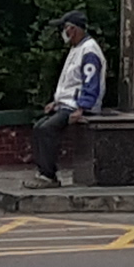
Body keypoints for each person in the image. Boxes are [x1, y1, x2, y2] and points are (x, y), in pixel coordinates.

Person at [30, 12, 106, 189]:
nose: (63, 33)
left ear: (74, 29)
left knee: (48, 129)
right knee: (38, 127)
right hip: (67, 104)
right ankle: (43, 171)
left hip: (77, 106)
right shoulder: (77, 48)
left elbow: (90, 82)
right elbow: (71, 83)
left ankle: (48, 175)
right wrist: (56, 102)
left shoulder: (89, 51)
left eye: (65, 28)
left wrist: (82, 107)